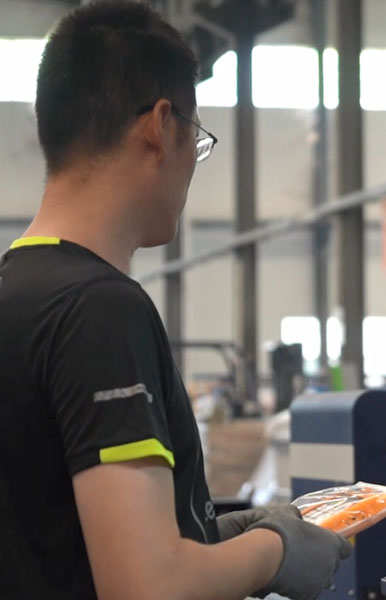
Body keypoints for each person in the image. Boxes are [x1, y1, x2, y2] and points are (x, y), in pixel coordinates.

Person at [0, 2, 350, 599]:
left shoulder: (16, 289)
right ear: (161, 127)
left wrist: (211, 535)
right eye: (198, 138)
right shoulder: (99, 309)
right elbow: (146, 587)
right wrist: (276, 549)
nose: (193, 162)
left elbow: (52, 536)